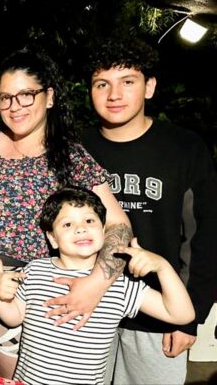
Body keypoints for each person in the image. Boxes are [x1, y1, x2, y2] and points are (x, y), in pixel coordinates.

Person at [0, 48, 132, 379]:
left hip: (25, 298)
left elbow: (119, 225)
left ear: (49, 97)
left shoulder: (70, 158)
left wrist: (97, 283)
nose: (15, 106)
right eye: (6, 97)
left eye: (26, 95)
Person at [80, 37, 217, 385]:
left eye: (128, 81)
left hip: (159, 313)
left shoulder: (184, 148)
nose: (114, 95)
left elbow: (204, 236)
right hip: (89, 307)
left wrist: (190, 316)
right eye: (102, 84)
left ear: (150, 87)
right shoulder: (78, 148)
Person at [0, 186, 195, 384]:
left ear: (104, 231)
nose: (81, 228)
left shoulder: (118, 284)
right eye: (67, 224)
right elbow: (14, 317)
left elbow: (181, 315)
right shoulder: (35, 270)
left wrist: (163, 267)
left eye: (89, 220)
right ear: (52, 238)